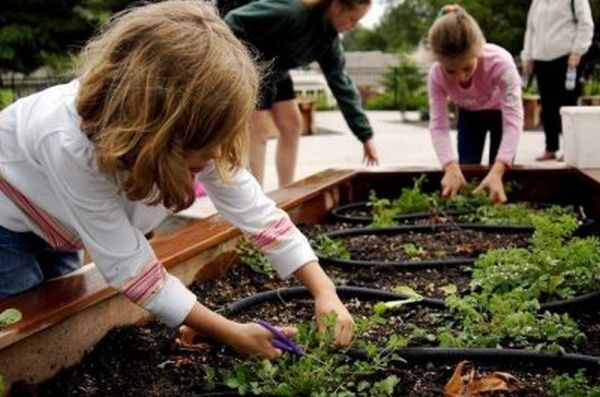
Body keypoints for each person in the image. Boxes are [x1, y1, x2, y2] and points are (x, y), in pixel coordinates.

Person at [0, 1, 353, 359]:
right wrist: (231, 333)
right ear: (156, 129)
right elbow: (130, 268)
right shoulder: (69, 145)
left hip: (58, 224)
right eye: (205, 145)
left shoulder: (195, 130)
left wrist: (325, 291)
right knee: (21, 326)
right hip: (6, 222)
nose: (217, 154)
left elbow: (257, 212)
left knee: (59, 306)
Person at [224, 0, 379, 188]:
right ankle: (256, 203)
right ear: (336, 6)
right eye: (352, 18)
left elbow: (342, 86)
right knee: (258, 132)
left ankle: (286, 194)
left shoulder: (328, 41)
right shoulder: (292, 13)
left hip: (278, 71)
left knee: (292, 125)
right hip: (251, 66)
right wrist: (243, 64)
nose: (354, 26)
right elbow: (234, 20)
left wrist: (365, 136)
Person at [427, 5, 523, 203]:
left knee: (501, 175)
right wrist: (449, 166)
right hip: (470, 114)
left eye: (467, 67)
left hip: (500, 115)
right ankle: (471, 209)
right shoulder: (436, 75)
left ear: (479, 49)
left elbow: (513, 120)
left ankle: (501, 209)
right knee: (466, 170)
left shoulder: (500, 63)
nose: (461, 77)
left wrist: (498, 169)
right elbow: (438, 125)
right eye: (451, 71)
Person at [521, 0, 594, 161]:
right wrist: (528, 55)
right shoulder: (537, 2)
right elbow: (531, 30)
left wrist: (578, 50)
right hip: (541, 58)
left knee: (568, 105)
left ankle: (571, 148)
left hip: (567, 58)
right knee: (547, 105)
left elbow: (586, 23)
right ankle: (551, 147)